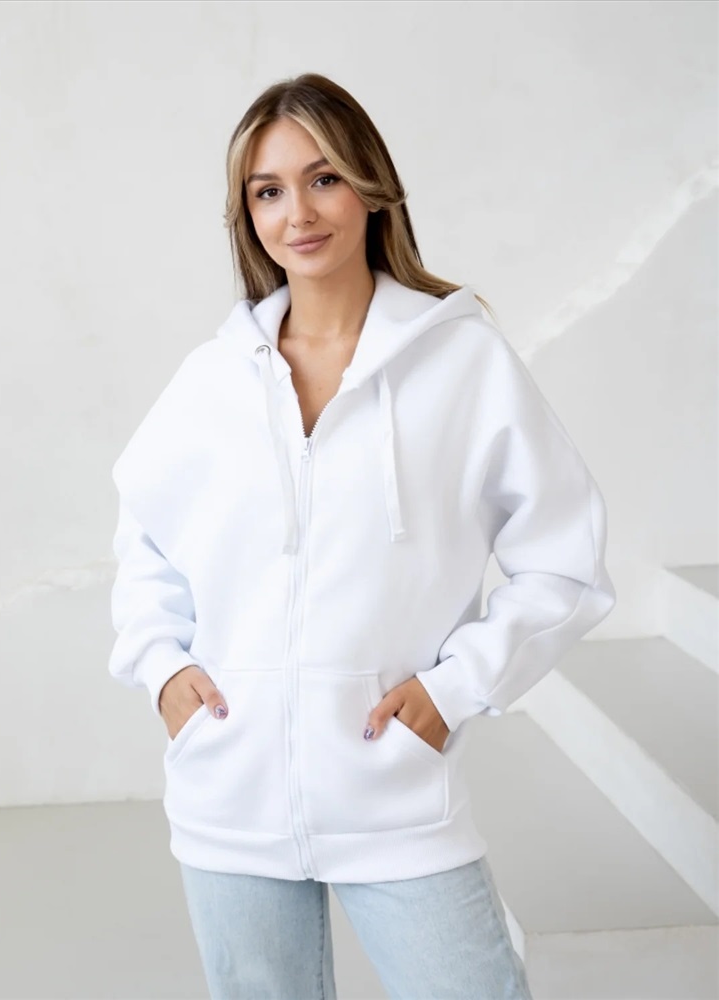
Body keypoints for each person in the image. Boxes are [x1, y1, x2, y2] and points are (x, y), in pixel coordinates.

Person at [108, 72, 616, 1000]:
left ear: (371, 187)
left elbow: (566, 561)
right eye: (268, 191)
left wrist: (456, 688)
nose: (298, 213)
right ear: (247, 215)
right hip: (229, 791)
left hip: (393, 792)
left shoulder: (461, 359)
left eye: (324, 178)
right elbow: (146, 537)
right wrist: (161, 668)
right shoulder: (215, 377)